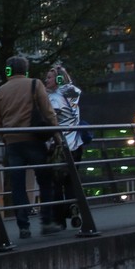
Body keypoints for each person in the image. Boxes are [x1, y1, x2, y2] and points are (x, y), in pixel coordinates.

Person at [0, 55, 59, 239]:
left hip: (13, 143)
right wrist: (57, 136)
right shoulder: (35, 84)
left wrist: (4, 138)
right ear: (25, 70)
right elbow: (48, 112)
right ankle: (46, 222)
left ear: (9, 71)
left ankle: (23, 226)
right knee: (44, 181)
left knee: (18, 185)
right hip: (34, 139)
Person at [43, 64, 85, 229]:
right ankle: (73, 207)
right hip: (76, 143)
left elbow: (50, 118)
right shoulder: (73, 93)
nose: (46, 80)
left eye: (49, 77)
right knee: (71, 180)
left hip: (59, 145)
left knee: (56, 182)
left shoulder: (54, 98)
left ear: (58, 79)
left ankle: (59, 218)